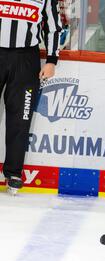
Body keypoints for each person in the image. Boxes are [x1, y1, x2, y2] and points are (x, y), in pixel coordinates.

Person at [0, 0, 62, 195]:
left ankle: (13, 173)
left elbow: (53, 27)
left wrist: (52, 60)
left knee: (21, 117)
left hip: (26, 59)